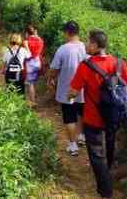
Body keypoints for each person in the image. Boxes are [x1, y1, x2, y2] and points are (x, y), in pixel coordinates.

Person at [70, 30, 127, 199]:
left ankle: (106, 190)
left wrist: (69, 97)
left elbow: (73, 91)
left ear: (94, 45)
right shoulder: (119, 63)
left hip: (93, 119)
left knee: (96, 155)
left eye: (87, 41)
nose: (85, 44)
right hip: (114, 117)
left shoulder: (85, 66)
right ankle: (109, 174)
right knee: (110, 147)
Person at [48, 21, 87, 156]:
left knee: (69, 117)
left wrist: (51, 79)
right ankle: (82, 136)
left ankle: (73, 145)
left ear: (67, 33)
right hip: (83, 90)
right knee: (82, 113)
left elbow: (54, 69)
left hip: (67, 90)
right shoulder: (86, 48)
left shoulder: (63, 49)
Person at [23, 25, 44, 107]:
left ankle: (32, 102)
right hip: (37, 63)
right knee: (32, 83)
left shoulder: (27, 42)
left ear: (26, 33)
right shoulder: (40, 40)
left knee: (29, 84)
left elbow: (27, 55)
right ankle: (33, 99)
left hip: (30, 64)